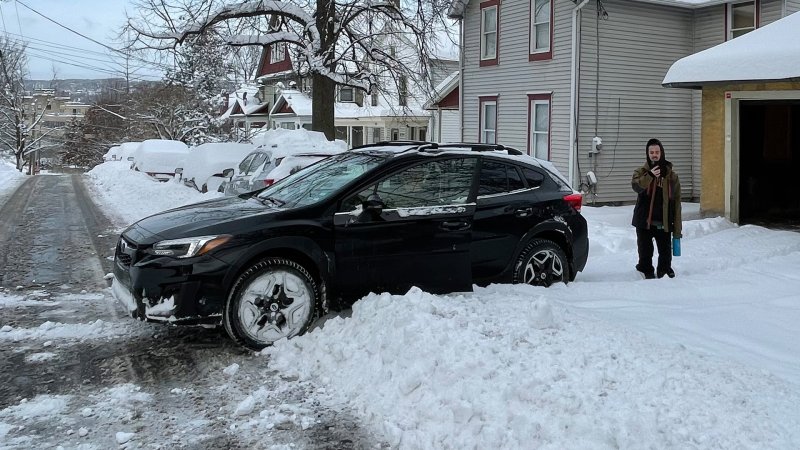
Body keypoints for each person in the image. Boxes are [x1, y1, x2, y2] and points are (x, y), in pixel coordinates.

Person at [631, 138, 682, 279]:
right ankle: (645, 269)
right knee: (645, 251)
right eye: (651, 152)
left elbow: (677, 203)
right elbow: (637, 187)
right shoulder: (640, 172)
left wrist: (677, 230)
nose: (654, 154)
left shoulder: (671, 176)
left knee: (665, 252)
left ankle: (664, 270)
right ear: (647, 154)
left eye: (657, 152)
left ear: (662, 153)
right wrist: (651, 175)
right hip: (644, 221)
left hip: (663, 222)